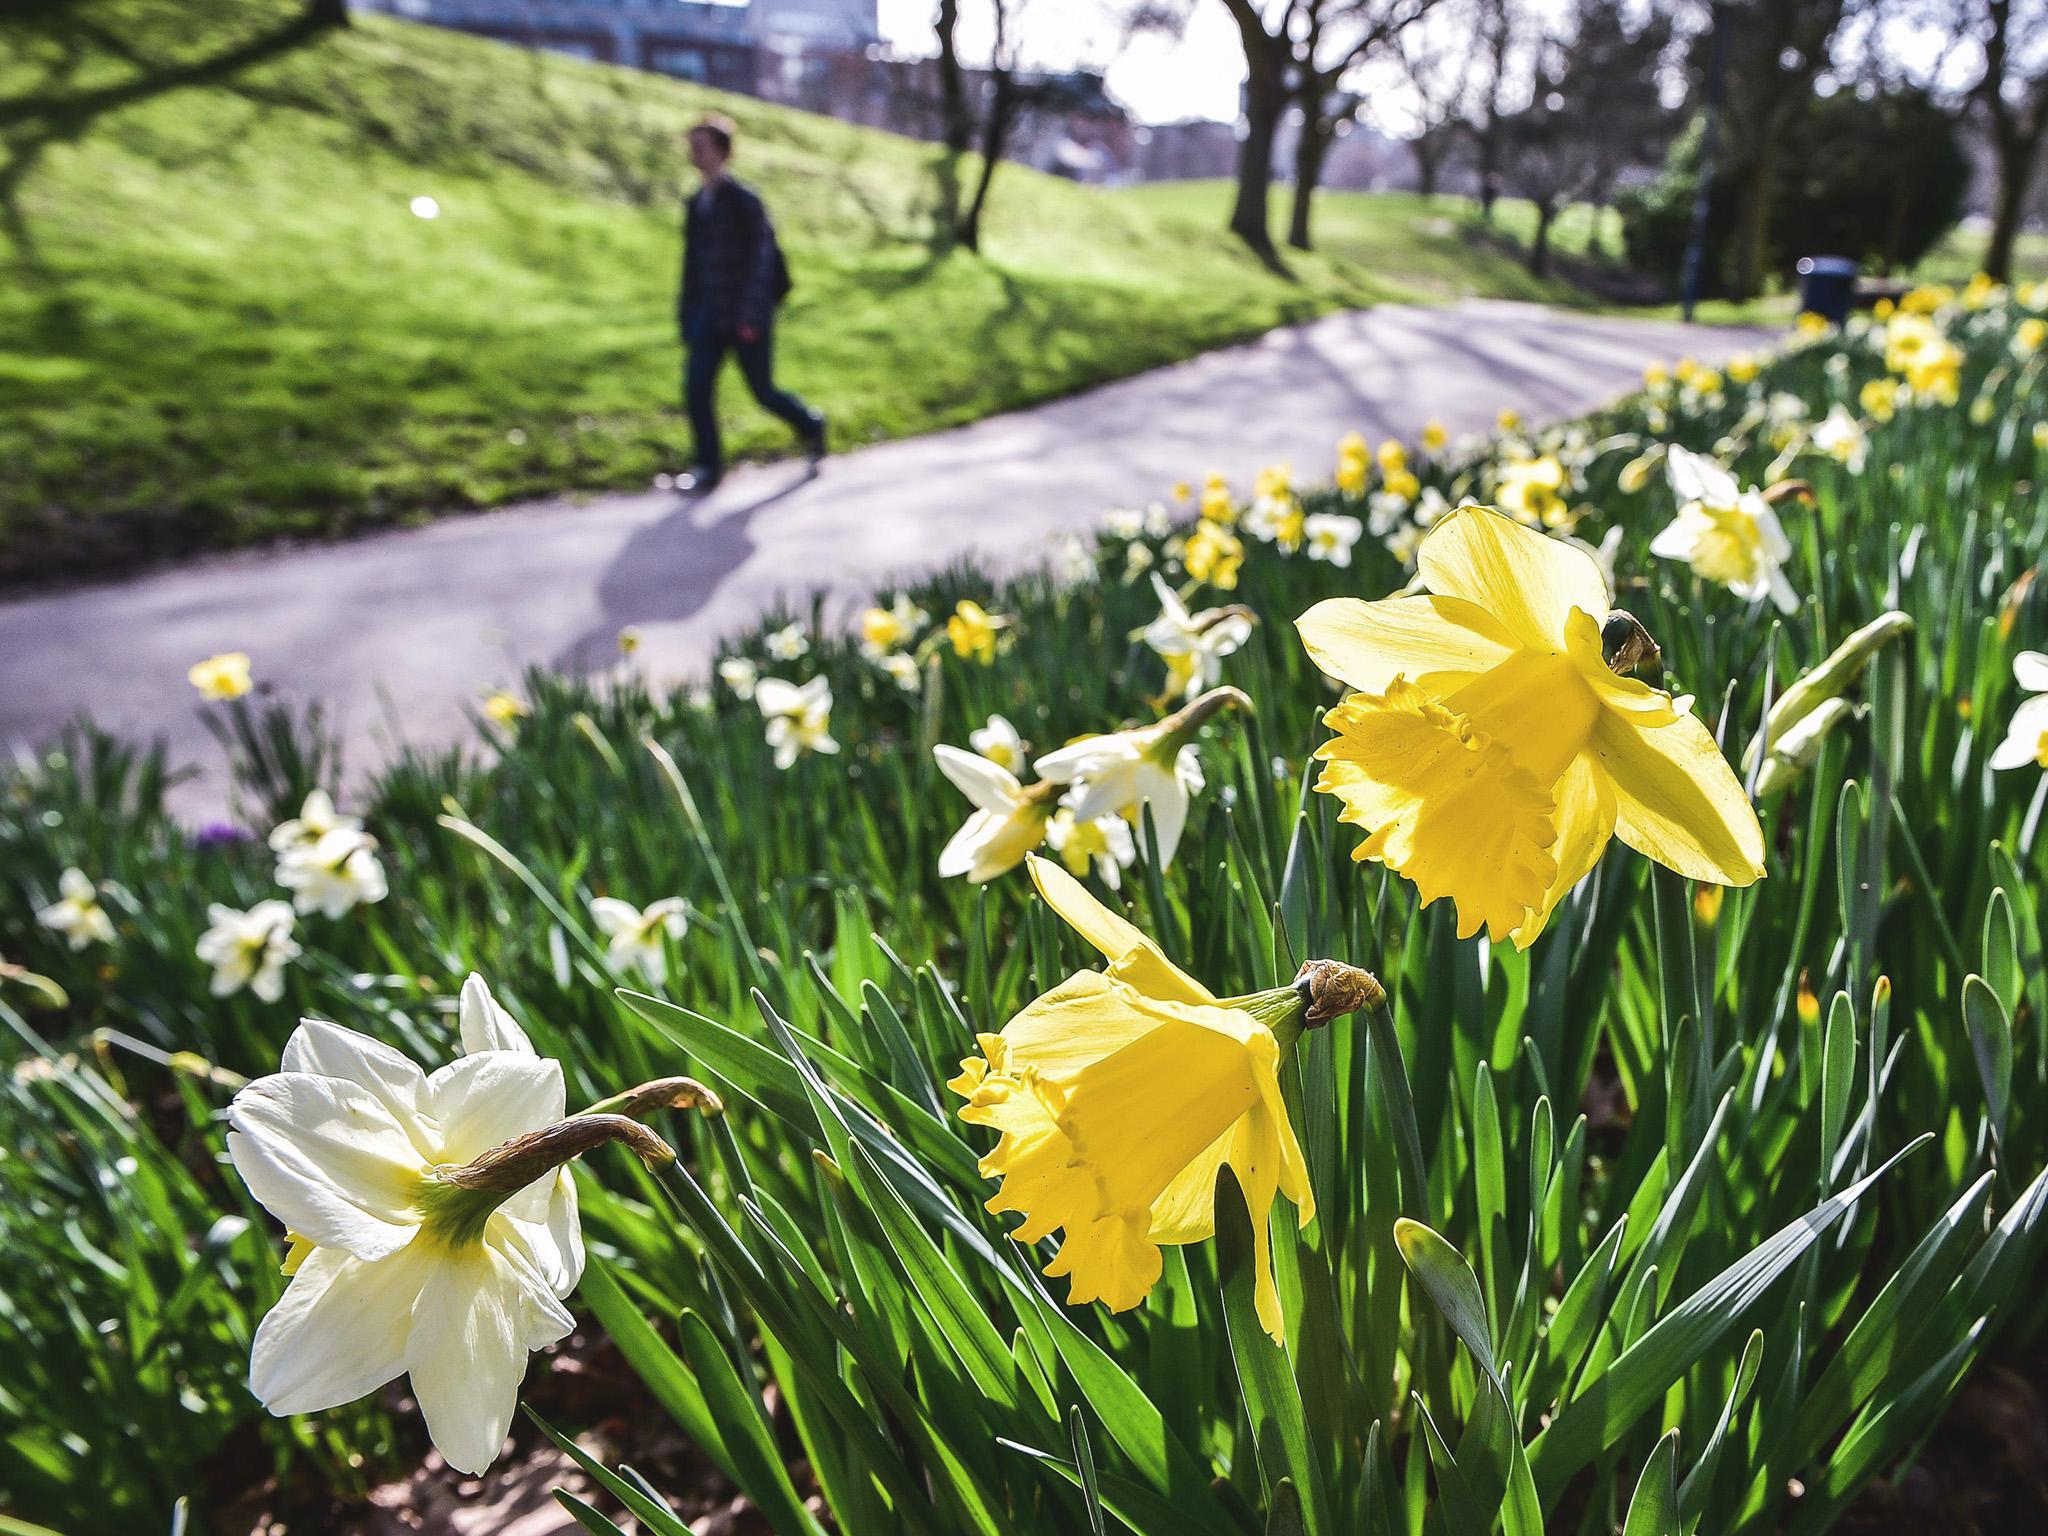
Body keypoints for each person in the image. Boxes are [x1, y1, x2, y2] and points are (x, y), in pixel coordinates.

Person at [676, 115, 825, 495]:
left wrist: (750, 317)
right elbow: (691, 265)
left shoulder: (745, 202)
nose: (695, 153)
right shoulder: (696, 205)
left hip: (746, 318)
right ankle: (708, 466)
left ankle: (810, 423)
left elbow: (762, 264)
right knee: (696, 389)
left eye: (702, 145)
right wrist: (687, 313)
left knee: (763, 392)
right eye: (692, 145)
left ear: (723, 153)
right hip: (709, 316)